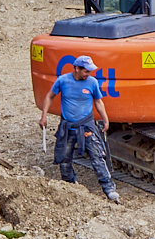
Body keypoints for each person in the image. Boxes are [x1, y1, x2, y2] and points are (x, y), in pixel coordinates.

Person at [39, 56, 120, 202]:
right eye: (86, 71)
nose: (88, 73)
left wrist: (105, 118)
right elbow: (50, 96)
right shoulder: (63, 81)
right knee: (64, 158)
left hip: (86, 124)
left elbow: (98, 101)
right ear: (76, 69)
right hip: (68, 125)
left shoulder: (92, 82)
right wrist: (44, 116)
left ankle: (109, 189)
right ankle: (70, 186)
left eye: (90, 71)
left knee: (97, 156)